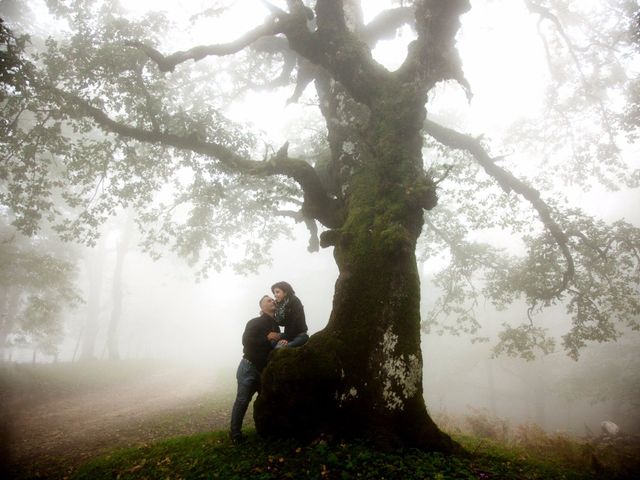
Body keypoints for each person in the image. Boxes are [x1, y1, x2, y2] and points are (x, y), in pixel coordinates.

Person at [229, 295, 281, 444]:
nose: (272, 301)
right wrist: (267, 338)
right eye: (268, 300)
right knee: (243, 400)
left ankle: (267, 431)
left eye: (273, 300)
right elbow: (245, 341)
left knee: (267, 400)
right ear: (261, 307)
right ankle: (235, 434)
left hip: (264, 370)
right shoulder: (255, 322)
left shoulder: (276, 326)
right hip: (249, 367)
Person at [271, 281, 309, 348]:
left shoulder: (294, 301)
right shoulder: (281, 305)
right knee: (272, 340)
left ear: (285, 292)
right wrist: (274, 311)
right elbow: (281, 323)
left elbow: (296, 321)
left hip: (300, 335)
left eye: (277, 292)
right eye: (274, 293)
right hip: (289, 335)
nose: (275, 295)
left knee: (283, 347)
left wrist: (285, 339)